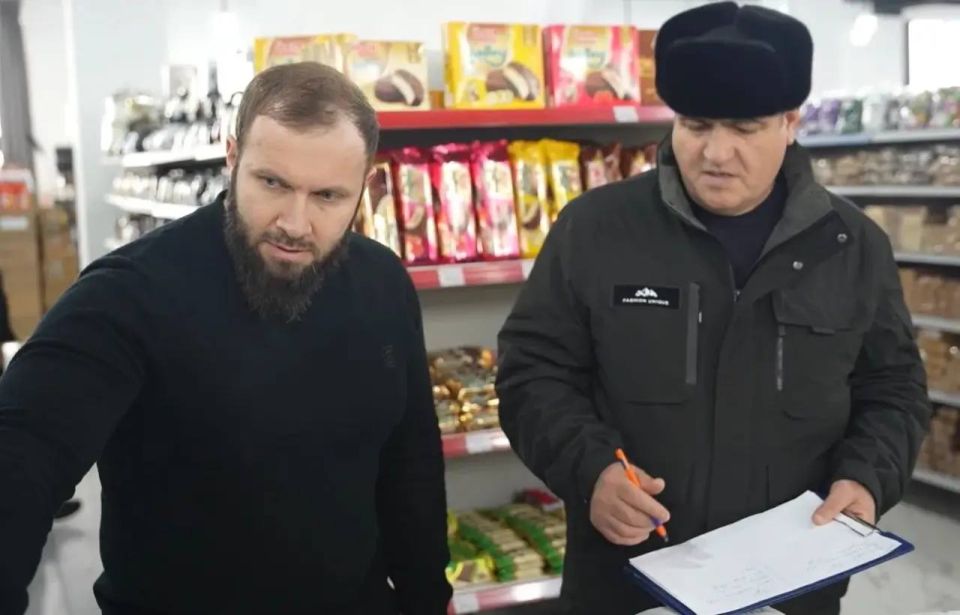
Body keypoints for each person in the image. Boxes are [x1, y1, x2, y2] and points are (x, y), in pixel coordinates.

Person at [496, 3, 930, 615]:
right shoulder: (594, 230)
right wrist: (591, 472)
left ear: (790, 122)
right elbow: (532, 373)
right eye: (695, 125)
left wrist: (865, 479)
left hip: (792, 585)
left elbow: (894, 390)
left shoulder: (852, 246)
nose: (716, 153)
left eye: (744, 129)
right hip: (627, 582)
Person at [0, 62, 451, 615]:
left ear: (369, 186)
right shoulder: (129, 293)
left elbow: (411, 465)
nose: (295, 223)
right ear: (232, 157)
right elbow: (23, 450)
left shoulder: (384, 283)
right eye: (272, 183)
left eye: (328, 196)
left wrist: (428, 597)